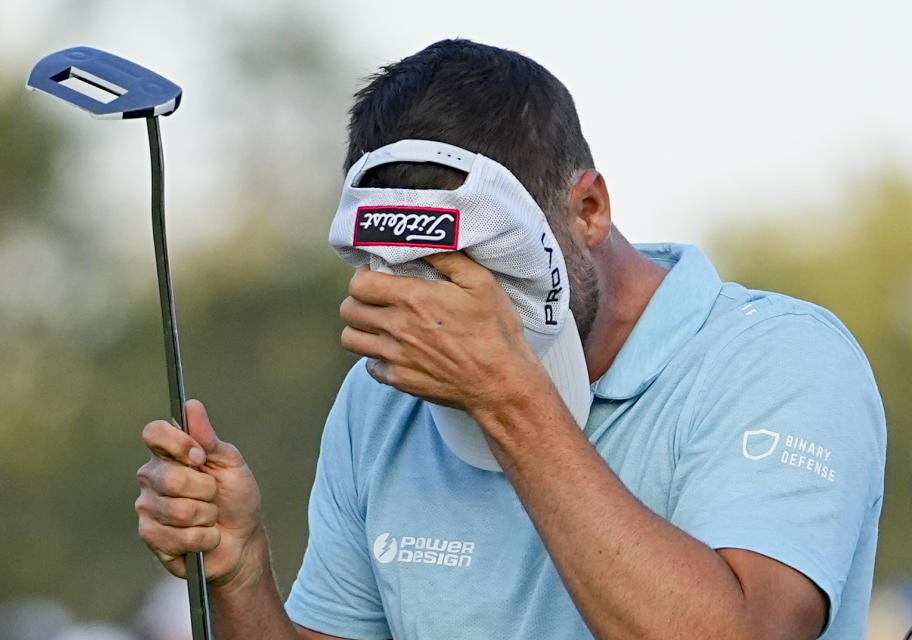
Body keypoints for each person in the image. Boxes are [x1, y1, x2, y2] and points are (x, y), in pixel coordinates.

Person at [134, 39, 886, 640]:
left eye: (485, 264)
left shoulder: (782, 360)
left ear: (587, 208)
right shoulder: (379, 399)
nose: (445, 312)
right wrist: (242, 578)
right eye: (411, 272)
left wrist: (508, 398)